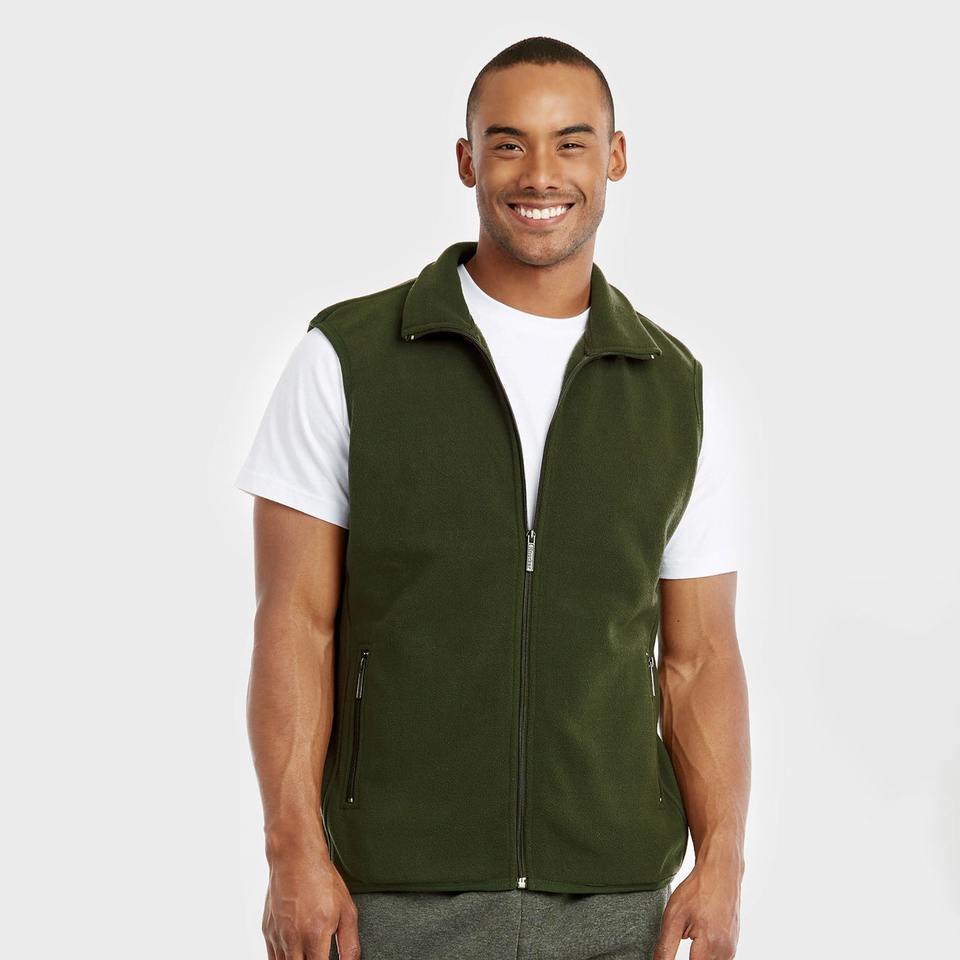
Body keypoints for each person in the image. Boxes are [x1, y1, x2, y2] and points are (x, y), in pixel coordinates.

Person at [235, 36, 750, 960]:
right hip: (393, 895)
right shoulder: (349, 358)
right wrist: (291, 852)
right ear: (467, 161)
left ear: (615, 158)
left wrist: (723, 864)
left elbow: (700, 657)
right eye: (508, 144)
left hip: (615, 903)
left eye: (571, 143)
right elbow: (294, 624)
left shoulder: (674, 389)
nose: (540, 174)